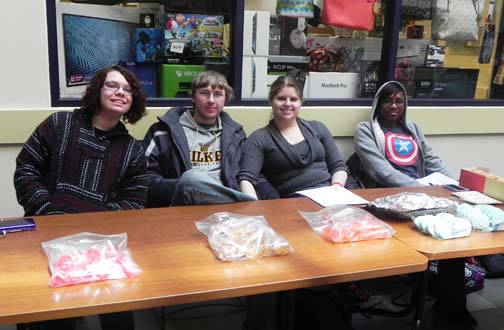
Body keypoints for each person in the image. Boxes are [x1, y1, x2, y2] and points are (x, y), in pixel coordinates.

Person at [14, 65, 148, 330]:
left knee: (120, 316)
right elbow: (26, 169)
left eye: (127, 89)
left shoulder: (133, 149)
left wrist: (96, 229)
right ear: (97, 89)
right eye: (112, 85)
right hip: (47, 234)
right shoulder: (59, 124)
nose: (120, 92)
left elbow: (135, 200)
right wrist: (46, 211)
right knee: (50, 314)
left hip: (99, 246)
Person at [353, 81, 477, 330]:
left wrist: (452, 185)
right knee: (432, 233)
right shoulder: (365, 130)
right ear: (378, 103)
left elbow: (432, 160)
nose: (393, 106)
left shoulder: (414, 130)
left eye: (399, 101)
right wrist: (419, 190)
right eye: (388, 100)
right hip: (388, 202)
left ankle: (451, 307)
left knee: (453, 239)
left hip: (422, 196)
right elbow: (381, 171)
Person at [143, 70, 264, 207]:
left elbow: (248, 174)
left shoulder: (236, 135)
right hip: (183, 208)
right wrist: (182, 187)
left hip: (224, 211)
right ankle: (247, 206)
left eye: (218, 94)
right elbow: (145, 178)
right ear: (193, 97)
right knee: (191, 177)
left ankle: (246, 205)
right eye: (204, 93)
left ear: (226, 99)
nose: (211, 100)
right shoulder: (162, 131)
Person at [238, 75, 348, 199]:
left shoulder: (318, 128)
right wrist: (256, 208)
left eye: (293, 99)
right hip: (293, 204)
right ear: (270, 101)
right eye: (281, 98)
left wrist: (336, 189)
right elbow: (246, 180)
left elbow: (338, 167)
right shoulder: (259, 139)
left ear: (301, 101)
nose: (287, 104)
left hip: (332, 195)